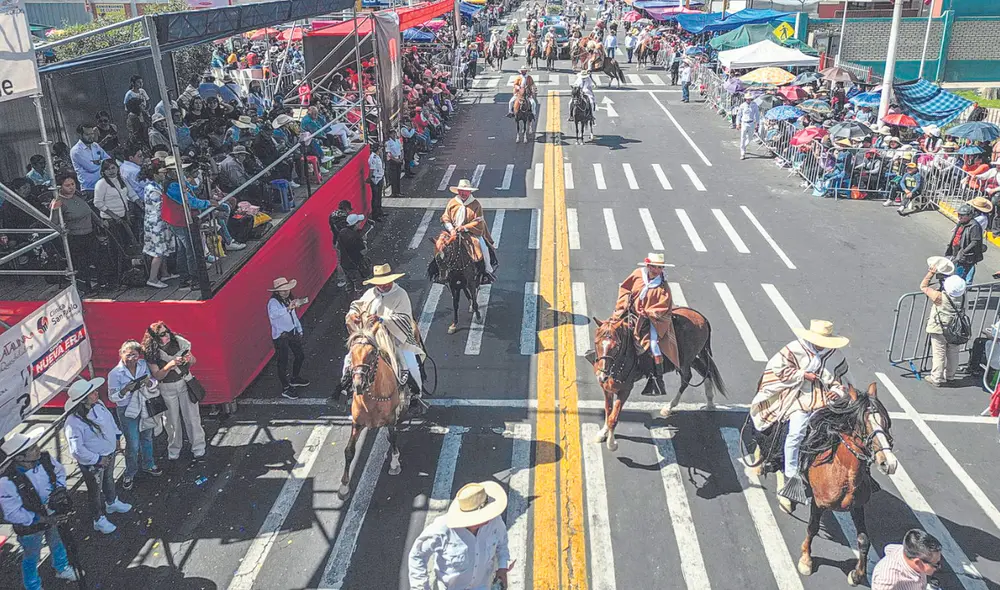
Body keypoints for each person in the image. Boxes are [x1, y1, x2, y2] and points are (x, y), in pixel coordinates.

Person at [749, 319, 851, 513]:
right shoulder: (794, 349)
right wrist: (802, 375)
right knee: (795, 434)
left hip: (823, 399)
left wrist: (836, 392)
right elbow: (777, 369)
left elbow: (842, 381)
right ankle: (790, 476)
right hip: (798, 396)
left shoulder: (835, 355)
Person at [0, 427, 80, 588]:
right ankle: (33, 586)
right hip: (31, 526)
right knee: (31, 556)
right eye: (32, 448)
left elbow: (59, 471)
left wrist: (60, 489)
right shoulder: (6, 481)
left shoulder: (44, 458)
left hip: (52, 512)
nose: (38, 449)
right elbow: (13, 513)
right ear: (20, 458)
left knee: (57, 541)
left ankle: (61, 567)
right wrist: (44, 519)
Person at [336, 264, 425, 406]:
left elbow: (404, 318)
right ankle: (345, 388)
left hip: (394, 338)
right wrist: (353, 314)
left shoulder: (400, 294)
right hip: (371, 338)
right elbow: (356, 305)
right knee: (350, 359)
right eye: (379, 284)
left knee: (409, 362)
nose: (382, 286)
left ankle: (415, 394)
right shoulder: (371, 293)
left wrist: (383, 320)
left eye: (385, 283)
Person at [408, 481, 510, 590]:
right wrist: (421, 587)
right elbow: (417, 555)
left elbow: (502, 543)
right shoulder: (441, 529)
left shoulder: (494, 521)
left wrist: (503, 568)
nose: (487, 519)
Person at [63, 378, 132, 534]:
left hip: (109, 453)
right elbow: (77, 450)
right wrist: (98, 459)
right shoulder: (73, 423)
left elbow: (110, 421)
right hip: (93, 462)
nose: (96, 393)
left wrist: (116, 437)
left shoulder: (99, 405)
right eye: (91, 393)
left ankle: (111, 501)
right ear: (83, 400)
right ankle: (98, 519)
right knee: (95, 491)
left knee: (109, 479)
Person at [614, 253, 679, 397]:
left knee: (653, 345)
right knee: (611, 329)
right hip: (631, 312)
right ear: (648, 266)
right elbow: (625, 289)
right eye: (654, 267)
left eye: (660, 267)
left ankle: (656, 379)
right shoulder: (637, 275)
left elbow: (664, 305)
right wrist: (626, 303)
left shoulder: (663, 285)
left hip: (651, 320)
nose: (657, 270)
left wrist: (648, 312)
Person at [142, 321, 208, 463]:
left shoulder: (179, 342)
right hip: (166, 387)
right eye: (162, 334)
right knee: (171, 421)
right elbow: (157, 376)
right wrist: (169, 366)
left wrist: (189, 360)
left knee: (192, 417)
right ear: (154, 337)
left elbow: (193, 361)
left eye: (167, 332)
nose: (166, 336)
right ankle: (174, 449)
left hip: (184, 382)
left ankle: (198, 447)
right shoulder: (150, 352)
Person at [108, 339, 163, 490]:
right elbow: (112, 397)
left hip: (144, 404)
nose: (132, 358)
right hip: (127, 410)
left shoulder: (143, 365)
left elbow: (153, 381)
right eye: (129, 354)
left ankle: (149, 464)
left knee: (147, 436)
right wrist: (125, 390)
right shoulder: (114, 373)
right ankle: (130, 472)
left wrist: (148, 382)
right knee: (132, 443)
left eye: (135, 355)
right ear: (121, 354)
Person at [50, 172, 106, 292]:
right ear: (61, 187)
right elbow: (53, 223)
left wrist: (99, 222)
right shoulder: (59, 202)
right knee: (82, 264)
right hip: (75, 238)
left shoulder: (78, 195)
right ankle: (85, 288)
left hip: (90, 234)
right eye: (67, 185)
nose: (71, 187)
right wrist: (54, 209)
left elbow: (89, 210)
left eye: (72, 184)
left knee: (99, 258)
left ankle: (102, 283)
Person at [921, 261, 967, 387]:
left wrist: (931, 273)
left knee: (939, 353)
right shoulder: (963, 297)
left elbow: (924, 286)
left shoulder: (939, 296)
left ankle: (936, 378)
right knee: (953, 352)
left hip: (939, 327)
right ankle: (950, 375)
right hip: (956, 328)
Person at [442, 179, 497, 281]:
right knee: (441, 247)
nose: (463, 193)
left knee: (483, 247)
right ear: (458, 191)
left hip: (471, 233)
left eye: (465, 191)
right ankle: (440, 272)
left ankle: (487, 270)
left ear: (470, 192)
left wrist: (464, 227)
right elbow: (446, 217)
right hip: (453, 232)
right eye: (461, 191)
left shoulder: (476, 204)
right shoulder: (452, 202)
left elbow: (478, 221)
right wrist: (451, 229)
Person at [267, 277, 311, 399]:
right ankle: (286, 388)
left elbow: (294, 316)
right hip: (281, 337)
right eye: (283, 290)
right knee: (283, 362)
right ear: (277, 292)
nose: (286, 292)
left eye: (287, 289)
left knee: (300, 355)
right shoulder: (273, 303)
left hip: (292, 332)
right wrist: (287, 308)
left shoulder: (288, 300)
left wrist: (299, 328)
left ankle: (294, 378)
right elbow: (273, 315)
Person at [139, 163, 178, 288]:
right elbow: (160, 207)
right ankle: (153, 278)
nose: (164, 174)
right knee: (158, 252)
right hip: (156, 223)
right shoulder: (152, 189)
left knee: (163, 249)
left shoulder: (157, 186)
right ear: (155, 174)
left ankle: (165, 273)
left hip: (160, 221)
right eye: (162, 172)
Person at [870, 529, 942, 590]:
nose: (939, 567)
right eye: (936, 564)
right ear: (918, 562)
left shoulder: (911, 552)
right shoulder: (888, 580)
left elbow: (889, 548)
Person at [945, 203, 984, 283]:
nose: (960, 216)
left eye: (962, 215)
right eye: (959, 214)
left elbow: (975, 242)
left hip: (965, 255)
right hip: (956, 250)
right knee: (956, 269)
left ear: (969, 216)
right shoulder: (961, 223)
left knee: (959, 274)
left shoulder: (974, 226)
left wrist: (964, 252)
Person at [70, 123, 110, 198]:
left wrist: (98, 162)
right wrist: (102, 162)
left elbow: (108, 160)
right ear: (80, 135)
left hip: (104, 185)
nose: (91, 136)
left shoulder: (95, 145)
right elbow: (91, 168)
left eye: (92, 133)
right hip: (90, 189)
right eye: (87, 134)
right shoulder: (76, 151)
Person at [736, 94, 760, 160]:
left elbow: (757, 114)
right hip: (744, 123)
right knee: (743, 137)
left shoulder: (754, 105)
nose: (748, 100)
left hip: (751, 122)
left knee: (750, 138)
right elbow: (739, 115)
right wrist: (738, 124)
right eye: (747, 99)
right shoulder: (742, 105)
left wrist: (757, 123)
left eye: (749, 99)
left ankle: (744, 146)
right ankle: (742, 153)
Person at [368, 143, 386, 221]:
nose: (381, 150)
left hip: (380, 177)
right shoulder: (373, 157)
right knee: (375, 198)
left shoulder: (377, 156)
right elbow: (371, 170)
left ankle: (379, 211)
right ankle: (375, 215)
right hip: (375, 179)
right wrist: (369, 178)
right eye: (379, 148)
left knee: (379, 196)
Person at [385, 128, 404, 198]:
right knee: (393, 178)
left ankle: (398, 191)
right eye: (392, 133)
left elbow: (401, 150)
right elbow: (389, 154)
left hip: (398, 158)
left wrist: (401, 158)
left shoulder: (397, 141)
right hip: (392, 160)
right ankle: (394, 192)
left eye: (394, 133)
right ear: (389, 134)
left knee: (398, 177)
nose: (393, 134)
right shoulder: (388, 143)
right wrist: (396, 160)